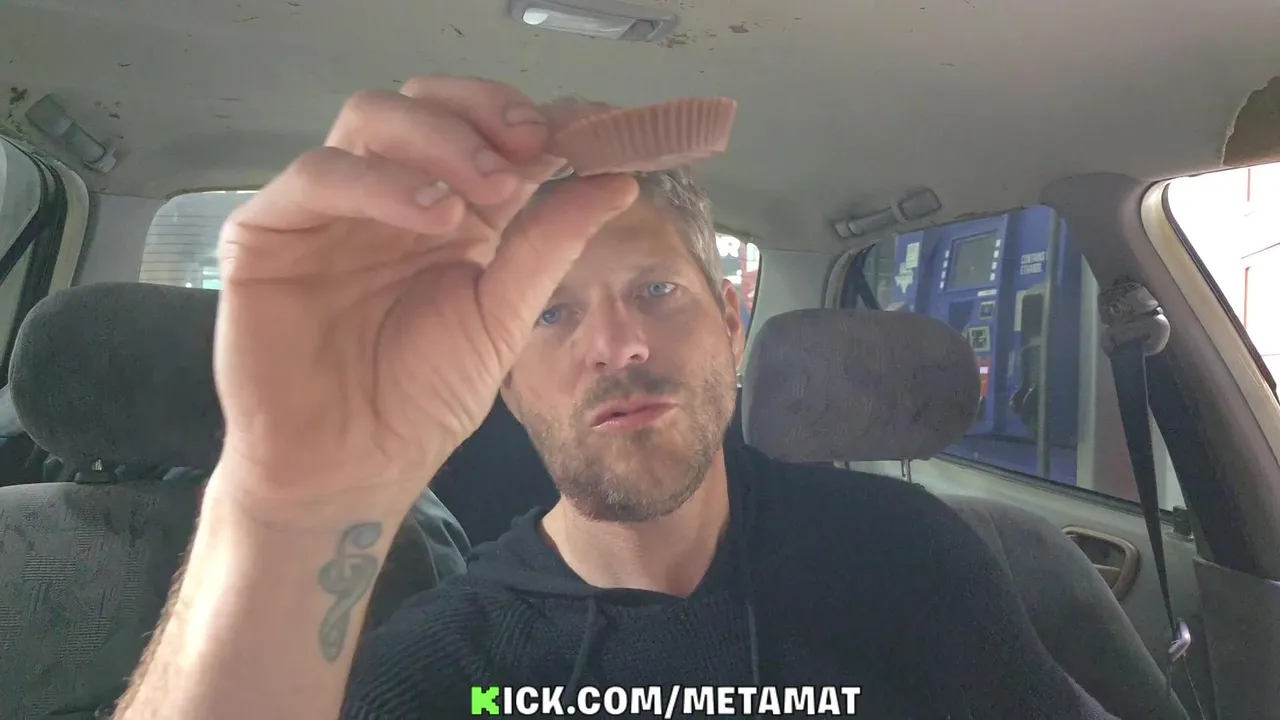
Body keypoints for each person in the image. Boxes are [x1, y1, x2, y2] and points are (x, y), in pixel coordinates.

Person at [113, 76, 1116, 719]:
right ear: (500, 377)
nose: (617, 343)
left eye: (656, 291)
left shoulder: (906, 552)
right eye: (549, 313)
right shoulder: (442, 670)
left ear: (731, 323)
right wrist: (288, 508)